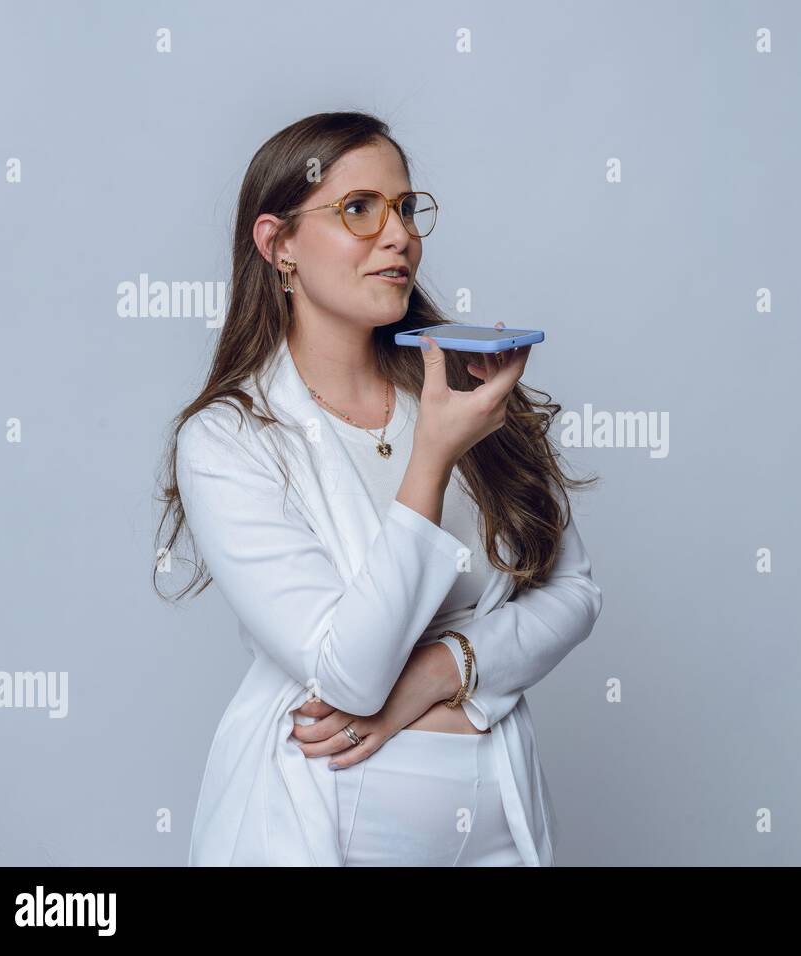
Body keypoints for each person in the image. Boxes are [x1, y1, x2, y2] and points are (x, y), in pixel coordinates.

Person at [154, 111, 603, 866]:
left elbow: (574, 592)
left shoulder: (467, 385)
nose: (397, 235)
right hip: (321, 826)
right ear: (279, 244)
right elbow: (348, 677)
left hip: (499, 822)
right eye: (358, 210)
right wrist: (430, 459)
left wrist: (443, 670)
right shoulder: (228, 440)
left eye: (403, 208)